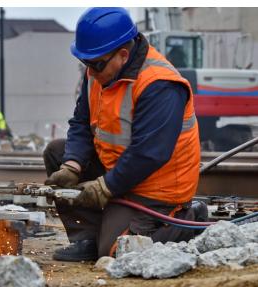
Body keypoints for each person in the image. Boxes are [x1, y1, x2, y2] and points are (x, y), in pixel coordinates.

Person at [43, 7, 200, 262]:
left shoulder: (160, 84)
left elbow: (149, 153)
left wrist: (106, 187)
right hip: (122, 170)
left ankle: (184, 221)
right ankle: (88, 238)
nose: (90, 72)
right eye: (85, 63)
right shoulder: (98, 71)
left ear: (123, 55)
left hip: (158, 188)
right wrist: (72, 165)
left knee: (117, 252)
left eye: (95, 64)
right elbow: (81, 123)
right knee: (57, 152)